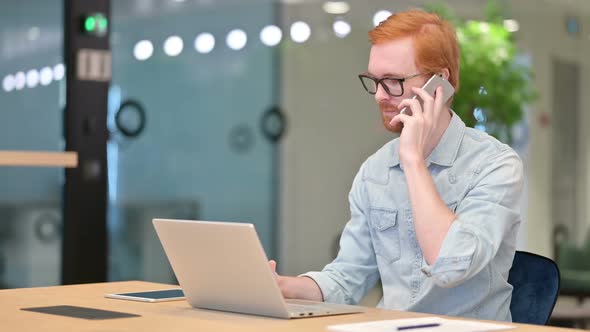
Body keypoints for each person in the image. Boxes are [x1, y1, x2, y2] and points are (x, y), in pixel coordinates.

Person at [270, 9, 524, 322]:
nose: (379, 96)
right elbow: (347, 278)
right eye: (374, 81)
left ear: (439, 85)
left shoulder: (496, 164)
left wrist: (414, 162)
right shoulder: (374, 172)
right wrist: (285, 287)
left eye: (392, 81)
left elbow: (452, 265)